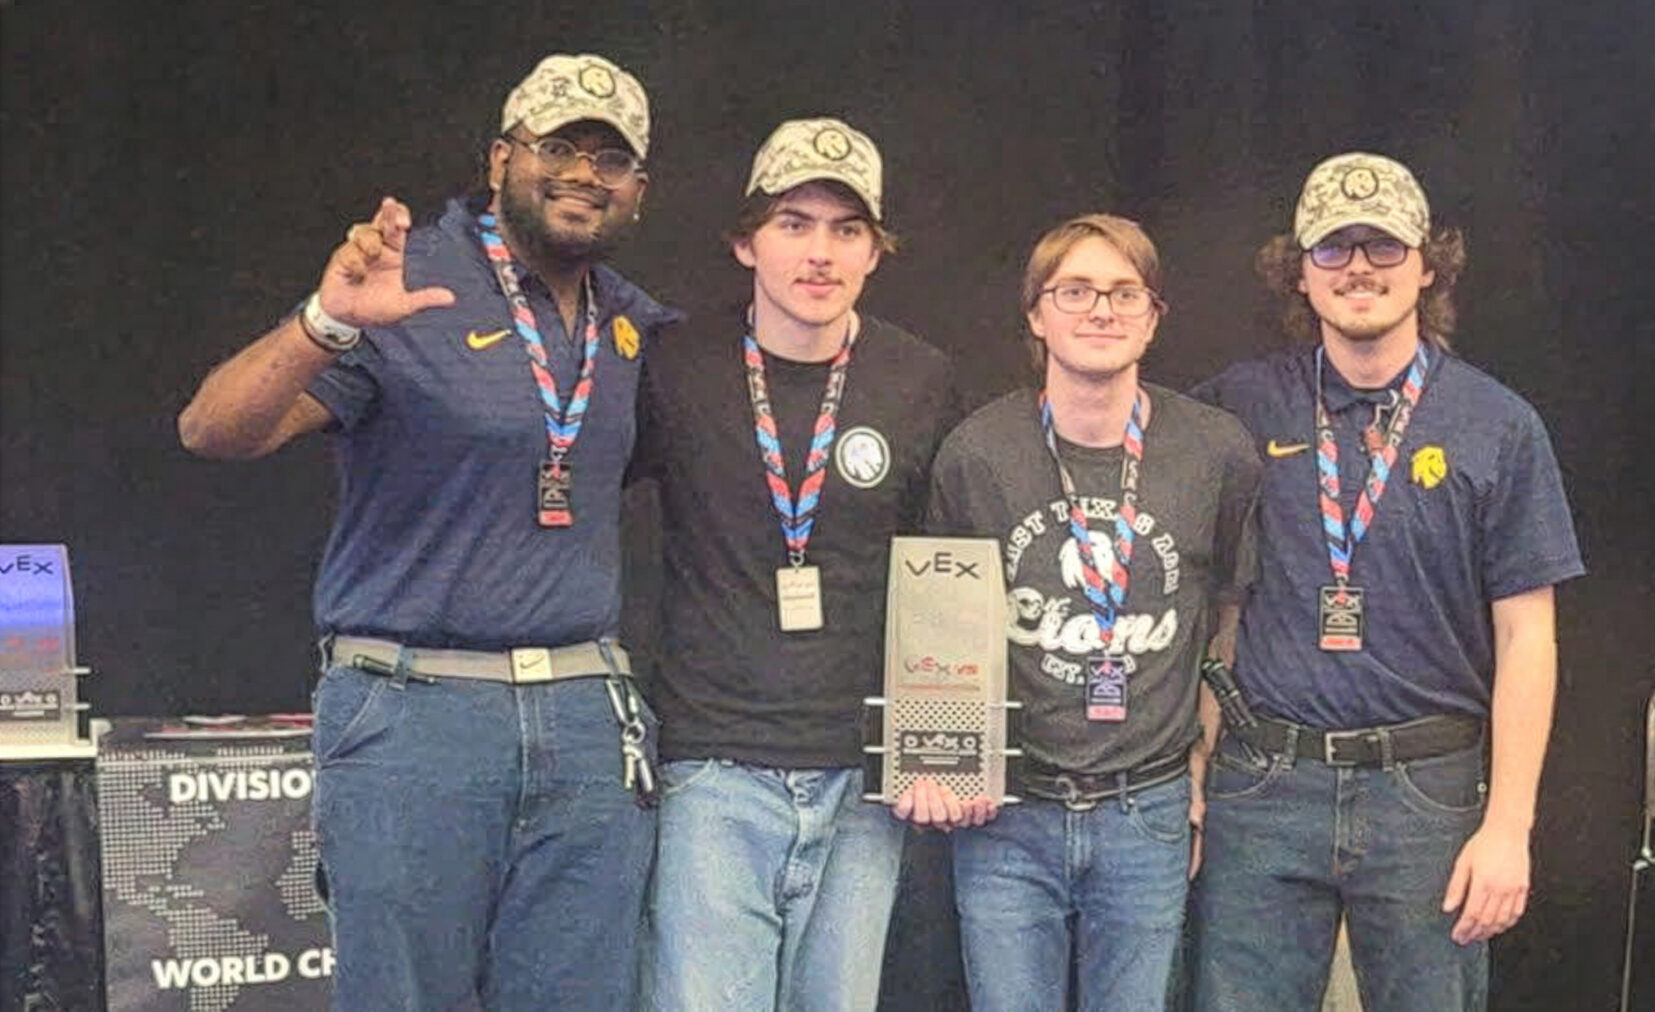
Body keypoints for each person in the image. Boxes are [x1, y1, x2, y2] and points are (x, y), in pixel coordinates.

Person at [177, 54, 672, 1011]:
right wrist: (324, 321)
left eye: (610, 159)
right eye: (557, 145)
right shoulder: (410, 284)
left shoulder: (633, 324)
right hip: (415, 713)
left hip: (585, 721)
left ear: (638, 190)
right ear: (499, 159)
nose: (582, 172)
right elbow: (214, 430)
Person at [1187, 152, 1585, 1011]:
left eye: (1384, 246)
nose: (1359, 267)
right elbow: (1204, 596)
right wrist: (1192, 761)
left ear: (1428, 264)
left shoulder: (1499, 424)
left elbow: (1529, 636)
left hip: (1425, 791)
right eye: (1333, 248)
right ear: (1298, 272)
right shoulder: (1234, 410)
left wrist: (1510, 825)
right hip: (1264, 782)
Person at [634, 117, 965, 1012]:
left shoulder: (919, 377)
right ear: (747, 242)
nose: (820, 253)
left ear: (874, 251)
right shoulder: (674, 365)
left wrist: (939, 747)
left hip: (861, 776)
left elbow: (944, 575)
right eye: (794, 224)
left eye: (846, 230)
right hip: (711, 765)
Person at [926, 214, 1261, 1011]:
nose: (1101, 310)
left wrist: (1201, 768)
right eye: (1075, 291)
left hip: (1145, 808)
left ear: (1154, 316)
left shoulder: (1216, 451)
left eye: (1123, 292)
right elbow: (937, 625)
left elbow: (1227, 614)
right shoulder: (976, 453)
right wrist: (941, 758)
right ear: (1036, 315)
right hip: (1006, 812)